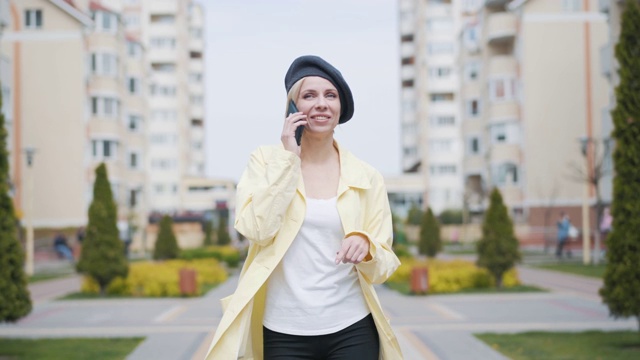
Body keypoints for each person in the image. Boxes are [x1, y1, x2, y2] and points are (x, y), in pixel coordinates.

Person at [205, 55, 403, 359]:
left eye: (331, 95)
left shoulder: (367, 176)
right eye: (309, 95)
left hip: (352, 326)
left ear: (340, 108)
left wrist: (366, 246)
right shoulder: (265, 161)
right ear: (293, 108)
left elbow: (384, 265)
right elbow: (256, 230)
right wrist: (288, 159)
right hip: (284, 331)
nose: (321, 103)